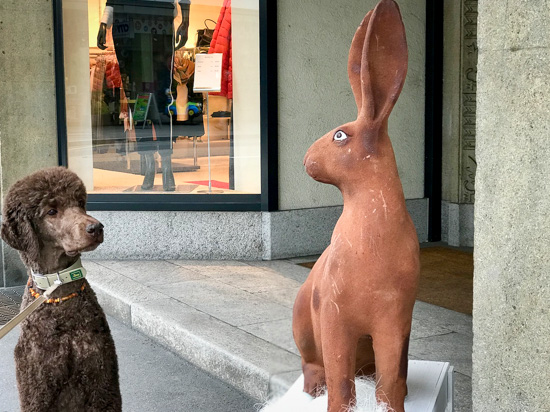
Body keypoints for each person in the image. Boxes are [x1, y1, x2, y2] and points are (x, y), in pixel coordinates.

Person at [97, 0, 191, 191]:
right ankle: (148, 164)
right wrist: (104, 22)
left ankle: (166, 164)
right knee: (137, 100)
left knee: (162, 98)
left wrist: (186, 20)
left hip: (160, 19)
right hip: (127, 23)